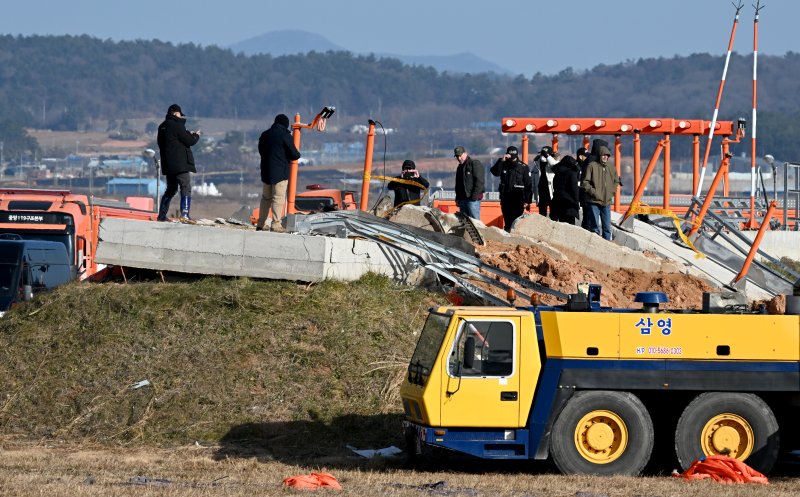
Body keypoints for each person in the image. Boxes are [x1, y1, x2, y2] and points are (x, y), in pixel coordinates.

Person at [156, 104, 201, 222]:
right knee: (185, 187)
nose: (181, 117)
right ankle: (185, 214)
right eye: (180, 115)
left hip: (168, 165)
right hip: (180, 165)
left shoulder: (162, 127)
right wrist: (195, 135)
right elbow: (189, 141)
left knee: (171, 189)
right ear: (176, 113)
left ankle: (161, 215)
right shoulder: (177, 125)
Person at [257, 114, 301, 232]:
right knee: (278, 198)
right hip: (280, 173)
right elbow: (295, 154)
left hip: (266, 172)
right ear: (285, 124)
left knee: (266, 198)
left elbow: (261, 151)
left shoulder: (265, 134)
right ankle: (276, 224)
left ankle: (260, 224)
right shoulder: (285, 135)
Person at [581, 145, 621, 240]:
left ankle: (607, 246)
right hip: (594, 201)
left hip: (606, 202)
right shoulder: (591, 166)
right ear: (599, 155)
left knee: (607, 227)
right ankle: (595, 247)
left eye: (607, 155)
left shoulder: (611, 168)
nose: (605, 157)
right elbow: (585, 182)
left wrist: (612, 192)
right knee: (595, 228)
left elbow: (616, 181)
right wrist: (594, 192)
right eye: (603, 155)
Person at [490, 145, 532, 232]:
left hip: (518, 198)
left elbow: (528, 185)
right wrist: (501, 160)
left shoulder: (523, 167)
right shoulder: (503, 164)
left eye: (513, 157)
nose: (511, 159)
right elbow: (495, 172)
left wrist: (527, 201)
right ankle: (507, 237)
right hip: (506, 197)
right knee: (507, 221)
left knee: (516, 222)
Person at [453, 146, 484, 220]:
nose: (459, 158)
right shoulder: (459, 167)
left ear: (465, 153)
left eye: (460, 156)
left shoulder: (474, 163)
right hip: (462, 200)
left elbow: (479, 182)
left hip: (472, 200)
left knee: (475, 223)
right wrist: (458, 198)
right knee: (464, 223)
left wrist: (474, 197)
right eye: (457, 156)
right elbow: (458, 184)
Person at [550, 154, 581, 225]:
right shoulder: (572, 173)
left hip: (558, 203)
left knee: (562, 225)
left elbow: (554, 187)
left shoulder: (557, 173)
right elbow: (574, 190)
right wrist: (576, 203)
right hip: (570, 204)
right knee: (570, 227)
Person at [533, 145, 558, 217]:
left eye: (544, 154)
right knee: (542, 214)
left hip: (552, 192)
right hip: (541, 192)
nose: (542, 156)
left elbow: (555, 166)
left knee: (554, 214)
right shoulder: (537, 164)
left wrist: (548, 157)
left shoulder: (553, 163)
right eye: (541, 154)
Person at [575, 147, 592, 229]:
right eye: (585, 156)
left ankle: (586, 228)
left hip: (585, 194)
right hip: (577, 193)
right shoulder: (575, 167)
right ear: (580, 157)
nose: (587, 158)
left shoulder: (587, 166)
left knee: (587, 213)